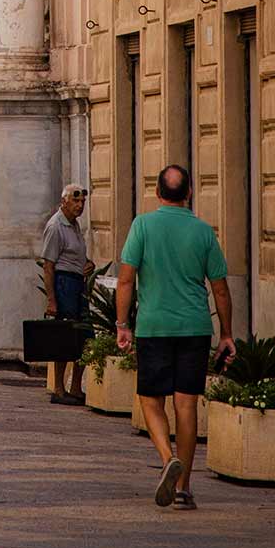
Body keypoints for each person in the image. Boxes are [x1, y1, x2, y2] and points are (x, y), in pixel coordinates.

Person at [116, 163, 235, 511]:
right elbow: (221, 289)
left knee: (150, 399)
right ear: (189, 194)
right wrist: (227, 333)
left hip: (154, 326)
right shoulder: (203, 232)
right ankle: (183, 488)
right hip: (195, 327)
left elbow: (125, 280)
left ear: (157, 193)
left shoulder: (142, 226)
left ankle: (168, 458)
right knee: (186, 404)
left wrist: (122, 324)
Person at [40, 185, 94, 404]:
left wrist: (87, 264)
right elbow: (48, 265)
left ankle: (75, 388)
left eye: (82, 202)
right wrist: (52, 299)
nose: (80, 206)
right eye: (75, 201)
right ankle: (59, 389)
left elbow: (77, 256)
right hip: (64, 284)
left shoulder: (74, 225)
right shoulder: (56, 226)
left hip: (77, 283)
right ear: (64, 202)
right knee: (64, 336)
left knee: (84, 336)